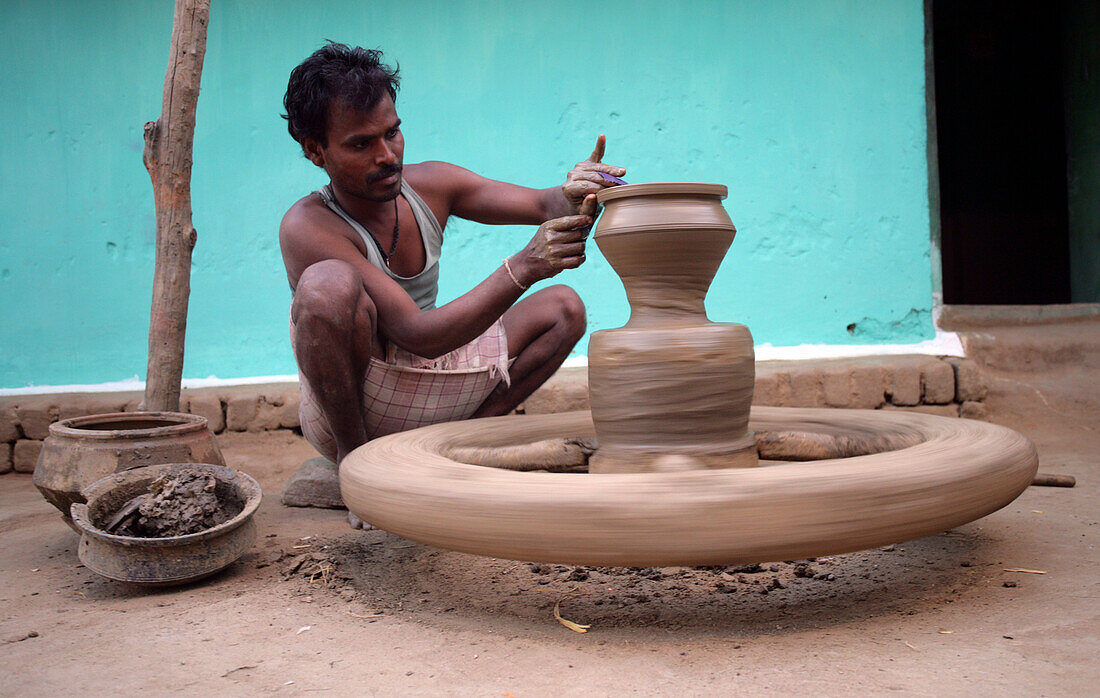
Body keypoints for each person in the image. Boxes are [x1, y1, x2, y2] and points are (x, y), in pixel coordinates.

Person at [279, 42, 626, 469]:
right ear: (316, 150)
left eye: (392, 132)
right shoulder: (308, 225)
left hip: (431, 386)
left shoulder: (433, 183)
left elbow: (544, 205)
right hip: (360, 405)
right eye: (361, 144)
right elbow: (419, 336)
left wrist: (579, 188)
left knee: (564, 308)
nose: (387, 156)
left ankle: (458, 451)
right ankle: (355, 464)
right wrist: (524, 267)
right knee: (325, 287)